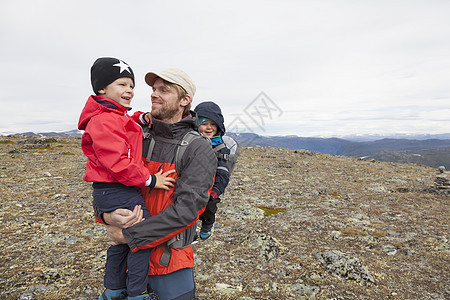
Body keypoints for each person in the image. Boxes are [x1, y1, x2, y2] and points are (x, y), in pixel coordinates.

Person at [97, 68, 217, 300]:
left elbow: (187, 211)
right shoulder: (136, 135)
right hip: (127, 264)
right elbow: (104, 184)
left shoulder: (197, 148)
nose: (154, 94)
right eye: (153, 89)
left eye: (164, 90)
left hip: (169, 266)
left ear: (185, 100)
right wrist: (105, 216)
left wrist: (129, 236)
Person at [78, 57, 176, 300]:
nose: (129, 91)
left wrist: (140, 118)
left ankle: (114, 289)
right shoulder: (103, 120)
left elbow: (123, 124)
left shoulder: (111, 116)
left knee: (120, 241)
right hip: (118, 188)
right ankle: (137, 293)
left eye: (131, 86)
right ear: (102, 88)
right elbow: (118, 163)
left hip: (110, 190)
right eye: (121, 84)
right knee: (140, 238)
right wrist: (151, 180)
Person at [193, 101, 230, 240]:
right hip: (191, 182)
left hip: (210, 186)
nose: (209, 127)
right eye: (204, 123)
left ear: (219, 126)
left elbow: (223, 172)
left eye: (213, 124)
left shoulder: (220, 148)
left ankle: (208, 223)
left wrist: (216, 190)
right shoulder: (190, 142)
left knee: (209, 205)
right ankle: (189, 229)